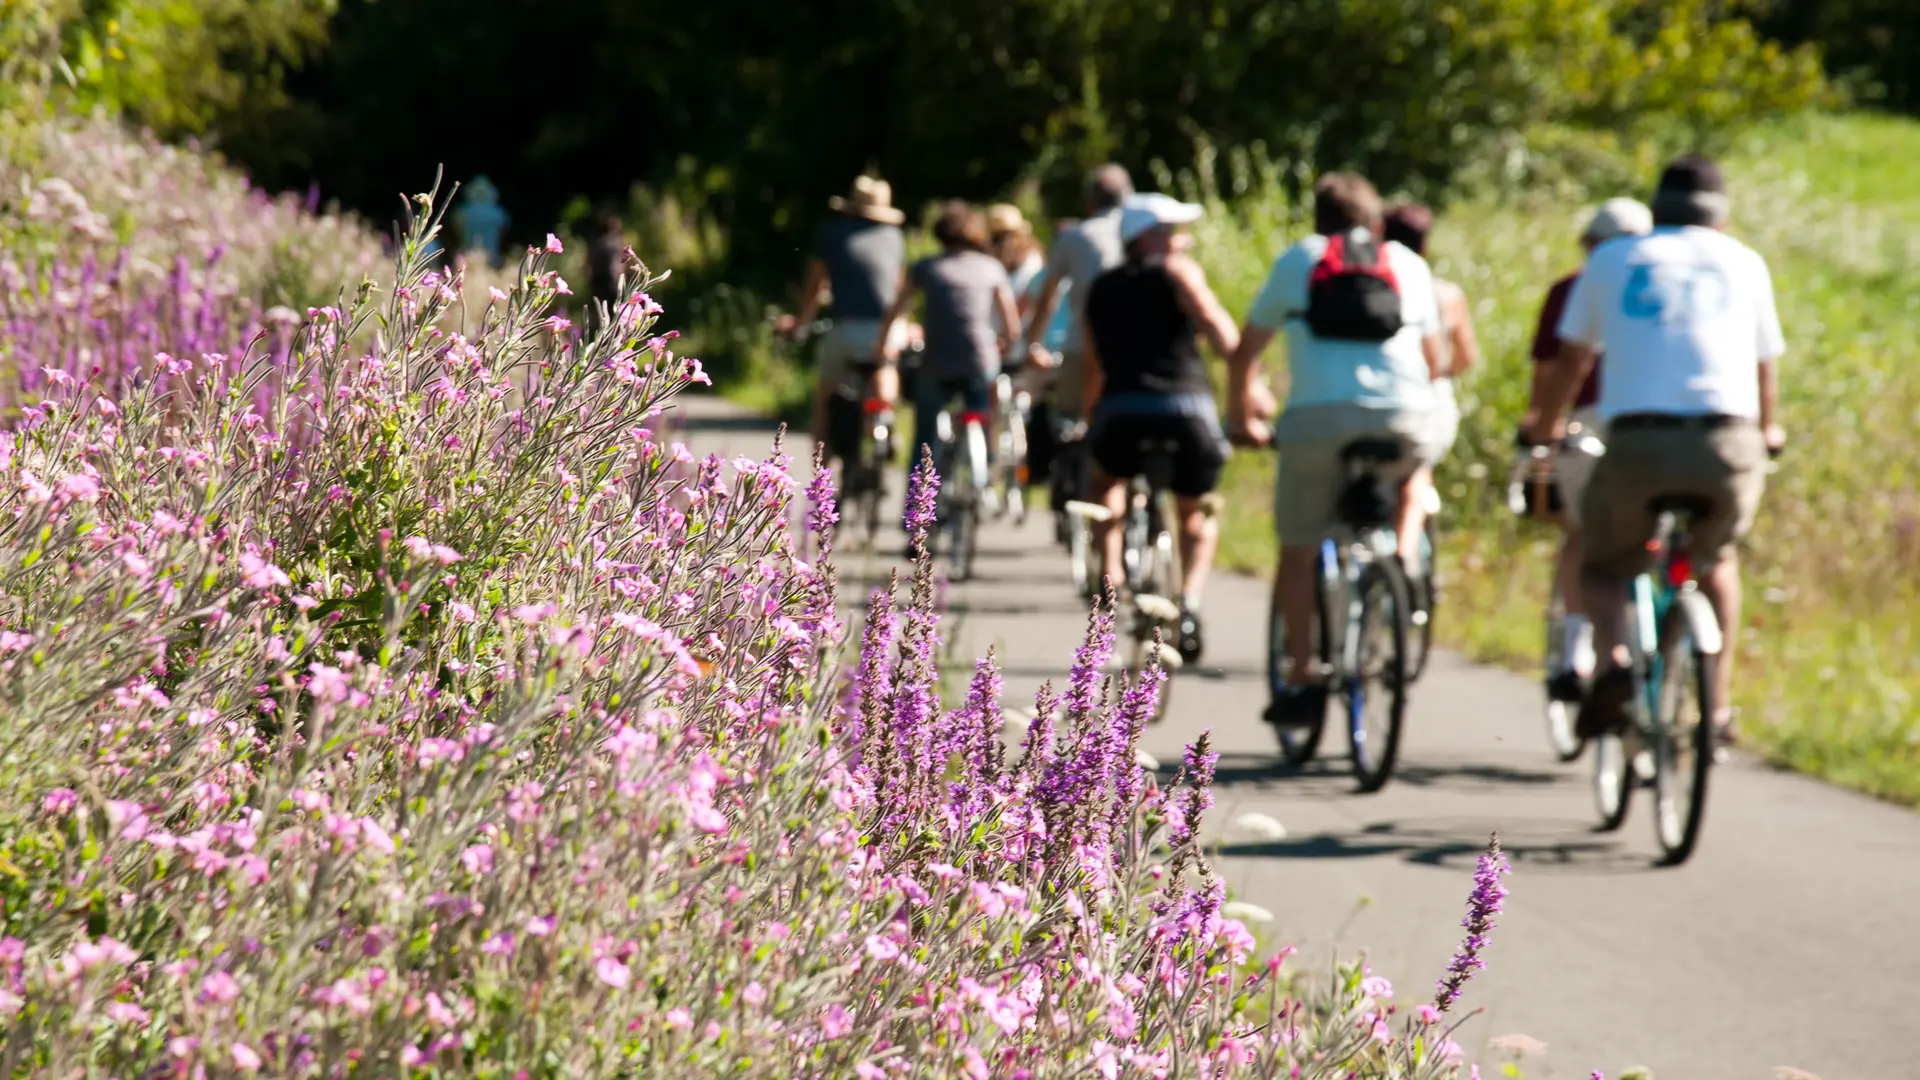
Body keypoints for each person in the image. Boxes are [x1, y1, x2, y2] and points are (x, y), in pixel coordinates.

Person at [1530, 155, 1786, 741]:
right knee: (1716, 560)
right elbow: (1763, 363)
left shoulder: (1613, 259)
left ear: (1657, 210)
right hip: (1728, 440)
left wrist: (1545, 427)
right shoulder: (1745, 262)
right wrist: (1769, 430)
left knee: (1600, 565)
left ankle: (1615, 659)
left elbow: (1572, 359)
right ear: (1720, 218)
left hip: (1637, 441)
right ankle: (1715, 708)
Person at [1227, 172, 1445, 724]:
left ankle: (1301, 676)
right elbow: (1437, 361)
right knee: (1404, 480)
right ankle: (1399, 569)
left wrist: (1241, 417)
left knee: (1298, 549)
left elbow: (1244, 351)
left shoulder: (1299, 258)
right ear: (1375, 221)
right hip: (1406, 418)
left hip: (1317, 422)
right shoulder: (1408, 263)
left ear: (1317, 220)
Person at [1082, 194, 1240, 663]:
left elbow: (1094, 361)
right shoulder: (1179, 273)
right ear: (1146, 237)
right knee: (1195, 511)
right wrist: (1245, 382)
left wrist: (1093, 415)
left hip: (1121, 409)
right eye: (1170, 233)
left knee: (1105, 485)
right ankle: (1189, 601)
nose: (1179, 241)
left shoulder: (1101, 286)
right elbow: (1214, 323)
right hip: (1185, 406)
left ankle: (1109, 585)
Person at [1521, 197, 1654, 702]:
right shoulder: (1666, 285)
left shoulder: (1575, 287)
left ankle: (1576, 653)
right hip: (1669, 421)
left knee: (1583, 533)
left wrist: (1541, 432)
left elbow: (1553, 370)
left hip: (1591, 423)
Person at [874, 201, 1020, 513]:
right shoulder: (992, 268)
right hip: (980, 362)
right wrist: (1004, 345)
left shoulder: (927, 267)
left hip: (936, 363)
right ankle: (986, 470)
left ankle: (916, 515)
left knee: (924, 437)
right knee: (982, 414)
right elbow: (1012, 327)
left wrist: (882, 344)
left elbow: (896, 308)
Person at [1382, 203, 1481, 601]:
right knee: (1417, 472)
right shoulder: (1444, 291)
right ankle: (1403, 554)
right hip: (1427, 397)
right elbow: (1463, 357)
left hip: (1378, 392)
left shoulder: (1372, 280)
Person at [1023, 166, 1134, 519]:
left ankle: (1070, 477)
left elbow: (1048, 297)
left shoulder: (1074, 237)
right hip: (1135, 350)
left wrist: (1032, 344)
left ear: (1089, 202)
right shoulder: (1138, 233)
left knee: (1071, 416)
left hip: (1079, 349)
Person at [778, 175, 910, 464]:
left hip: (845, 329)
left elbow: (814, 289)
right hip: (887, 330)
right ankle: (886, 415)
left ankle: (822, 476)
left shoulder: (832, 233)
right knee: (886, 366)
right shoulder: (895, 238)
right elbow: (899, 291)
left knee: (826, 397)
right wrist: (907, 323)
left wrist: (800, 323)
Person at [454, 176, 510, 270]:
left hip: (470, 252)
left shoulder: (463, 211)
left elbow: (456, 226)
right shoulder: (497, 213)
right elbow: (504, 228)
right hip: (490, 252)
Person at [586, 207, 629, 318]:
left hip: (597, 282)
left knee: (602, 313)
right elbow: (621, 262)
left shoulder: (596, 242)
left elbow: (589, 262)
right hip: (613, 282)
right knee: (616, 312)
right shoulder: (616, 241)